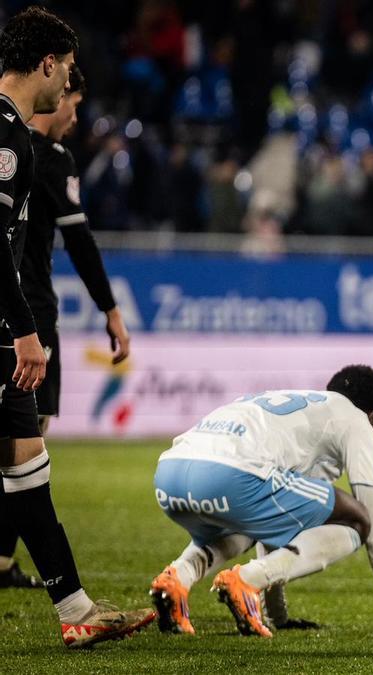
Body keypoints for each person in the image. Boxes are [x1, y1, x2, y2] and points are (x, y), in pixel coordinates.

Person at [0, 7, 153, 648]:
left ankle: (75, 609)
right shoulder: (8, 137)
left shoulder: (14, 134)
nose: (68, 83)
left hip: (9, 325)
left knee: (26, 460)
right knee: (25, 457)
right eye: (65, 68)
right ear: (46, 64)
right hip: (10, 328)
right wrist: (24, 330)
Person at [149, 365, 373, 638]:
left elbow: (276, 523)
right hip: (232, 476)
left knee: (254, 517)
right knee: (358, 519)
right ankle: (247, 580)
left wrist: (278, 618)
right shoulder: (356, 420)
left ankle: (178, 578)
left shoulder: (300, 407)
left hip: (169, 473)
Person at [21, 62, 130, 436]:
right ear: (60, 93)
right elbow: (80, 242)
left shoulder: (7, 144)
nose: (75, 118)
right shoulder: (53, 158)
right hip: (31, 312)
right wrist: (110, 309)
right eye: (76, 104)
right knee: (29, 435)